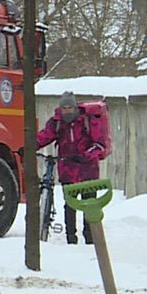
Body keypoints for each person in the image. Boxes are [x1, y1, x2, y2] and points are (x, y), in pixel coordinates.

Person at [37, 91, 108, 245]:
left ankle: (90, 238)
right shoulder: (56, 123)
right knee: (69, 204)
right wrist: (29, 146)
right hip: (67, 171)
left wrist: (85, 156)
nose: (67, 110)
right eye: (64, 108)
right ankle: (71, 238)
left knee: (89, 203)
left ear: (75, 107)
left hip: (88, 170)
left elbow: (100, 144)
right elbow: (44, 137)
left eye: (70, 107)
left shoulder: (88, 121)